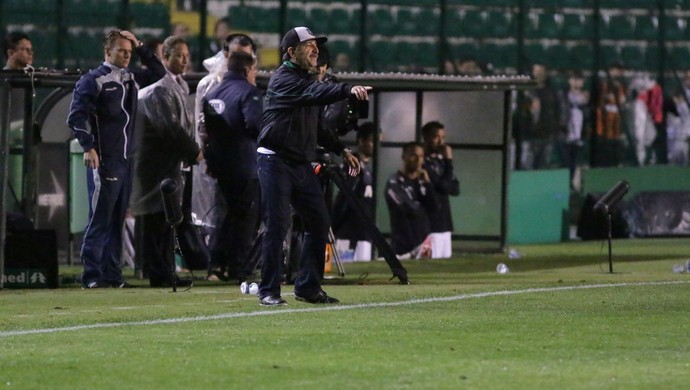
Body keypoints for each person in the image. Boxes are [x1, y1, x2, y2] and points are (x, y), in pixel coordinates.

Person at [256, 26, 371, 306]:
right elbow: (317, 93)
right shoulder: (284, 78)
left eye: (316, 45)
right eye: (309, 45)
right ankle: (268, 291)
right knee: (277, 225)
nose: (315, 49)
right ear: (291, 52)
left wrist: (341, 149)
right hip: (274, 159)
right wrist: (346, 89)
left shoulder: (305, 81)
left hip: (298, 162)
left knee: (319, 221)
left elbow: (317, 128)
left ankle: (307, 287)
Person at [66, 29, 150, 288]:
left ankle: (113, 276)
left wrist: (140, 45)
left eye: (129, 51)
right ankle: (92, 275)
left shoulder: (130, 78)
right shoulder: (93, 80)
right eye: (121, 51)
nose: (126, 55)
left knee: (118, 221)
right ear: (107, 52)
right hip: (106, 160)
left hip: (126, 160)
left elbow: (159, 73)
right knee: (100, 218)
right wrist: (89, 147)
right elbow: (75, 117)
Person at [130, 35, 202, 288]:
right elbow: (170, 128)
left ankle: (163, 271)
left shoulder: (177, 87)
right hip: (155, 165)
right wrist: (194, 152)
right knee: (156, 220)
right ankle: (159, 273)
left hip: (166, 164)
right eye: (179, 55)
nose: (184, 61)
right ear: (165, 57)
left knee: (164, 220)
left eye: (186, 56)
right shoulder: (160, 90)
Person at [193, 33, 255, 280]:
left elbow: (205, 127)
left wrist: (209, 157)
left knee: (225, 215)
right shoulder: (247, 92)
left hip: (219, 164)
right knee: (241, 218)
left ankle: (218, 265)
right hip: (243, 164)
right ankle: (235, 267)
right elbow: (255, 127)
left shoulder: (212, 91)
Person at [385, 142, 438, 258]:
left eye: (421, 156)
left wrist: (428, 183)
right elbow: (409, 209)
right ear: (404, 157)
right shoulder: (394, 182)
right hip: (403, 246)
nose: (418, 160)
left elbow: (434, 207)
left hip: (423, 244)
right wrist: (423, 207)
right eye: (414, 155)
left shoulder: (422, 182)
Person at [332, 122, 377, 261]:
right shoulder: (351, 166)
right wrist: (334, 226)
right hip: (349, 233)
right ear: (361, 140)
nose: (376, 145)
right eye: (372, 140)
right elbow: (343, 197)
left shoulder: (369, 167)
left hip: (364, 233)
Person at [421, 121, 459, 259]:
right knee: (429, 264)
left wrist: (446, 164)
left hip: (445, 223)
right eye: (436, 137)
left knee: (445, 265)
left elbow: (455, 189)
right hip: (431, 224)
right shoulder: (421, 162)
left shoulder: (440, 161)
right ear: (425, 137)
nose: (441, 141)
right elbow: (443, 186)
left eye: (443, 137)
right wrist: (449, 161)